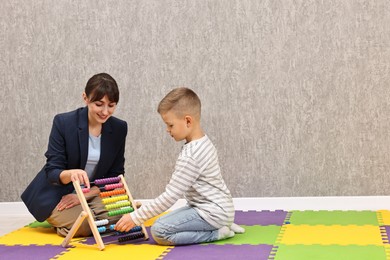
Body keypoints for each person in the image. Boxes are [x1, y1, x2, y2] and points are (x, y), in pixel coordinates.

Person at [115, 87, 244, 245]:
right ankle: (222, 223)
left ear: (188, 121)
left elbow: (170, 196)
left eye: (170, 125)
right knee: (164, 220)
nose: (167, 130)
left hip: (212, 212)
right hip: (216, 208)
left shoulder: (191, 155)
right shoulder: (203, 141)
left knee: (159, 231)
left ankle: (216, 233)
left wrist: (136, 217)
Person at [21, 73, 128, 237]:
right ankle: (73, 222)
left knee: (123, 215)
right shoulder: (63, 123)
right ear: (85, 98)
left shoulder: (119, 128)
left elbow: (116, 175)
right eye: (99, 104)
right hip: (58, 193)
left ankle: (86, 215)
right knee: (86, 223)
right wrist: (71, 174)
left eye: (111, 105)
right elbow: (52, 171)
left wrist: (83, 195)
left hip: (90, 193)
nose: (105, 112)